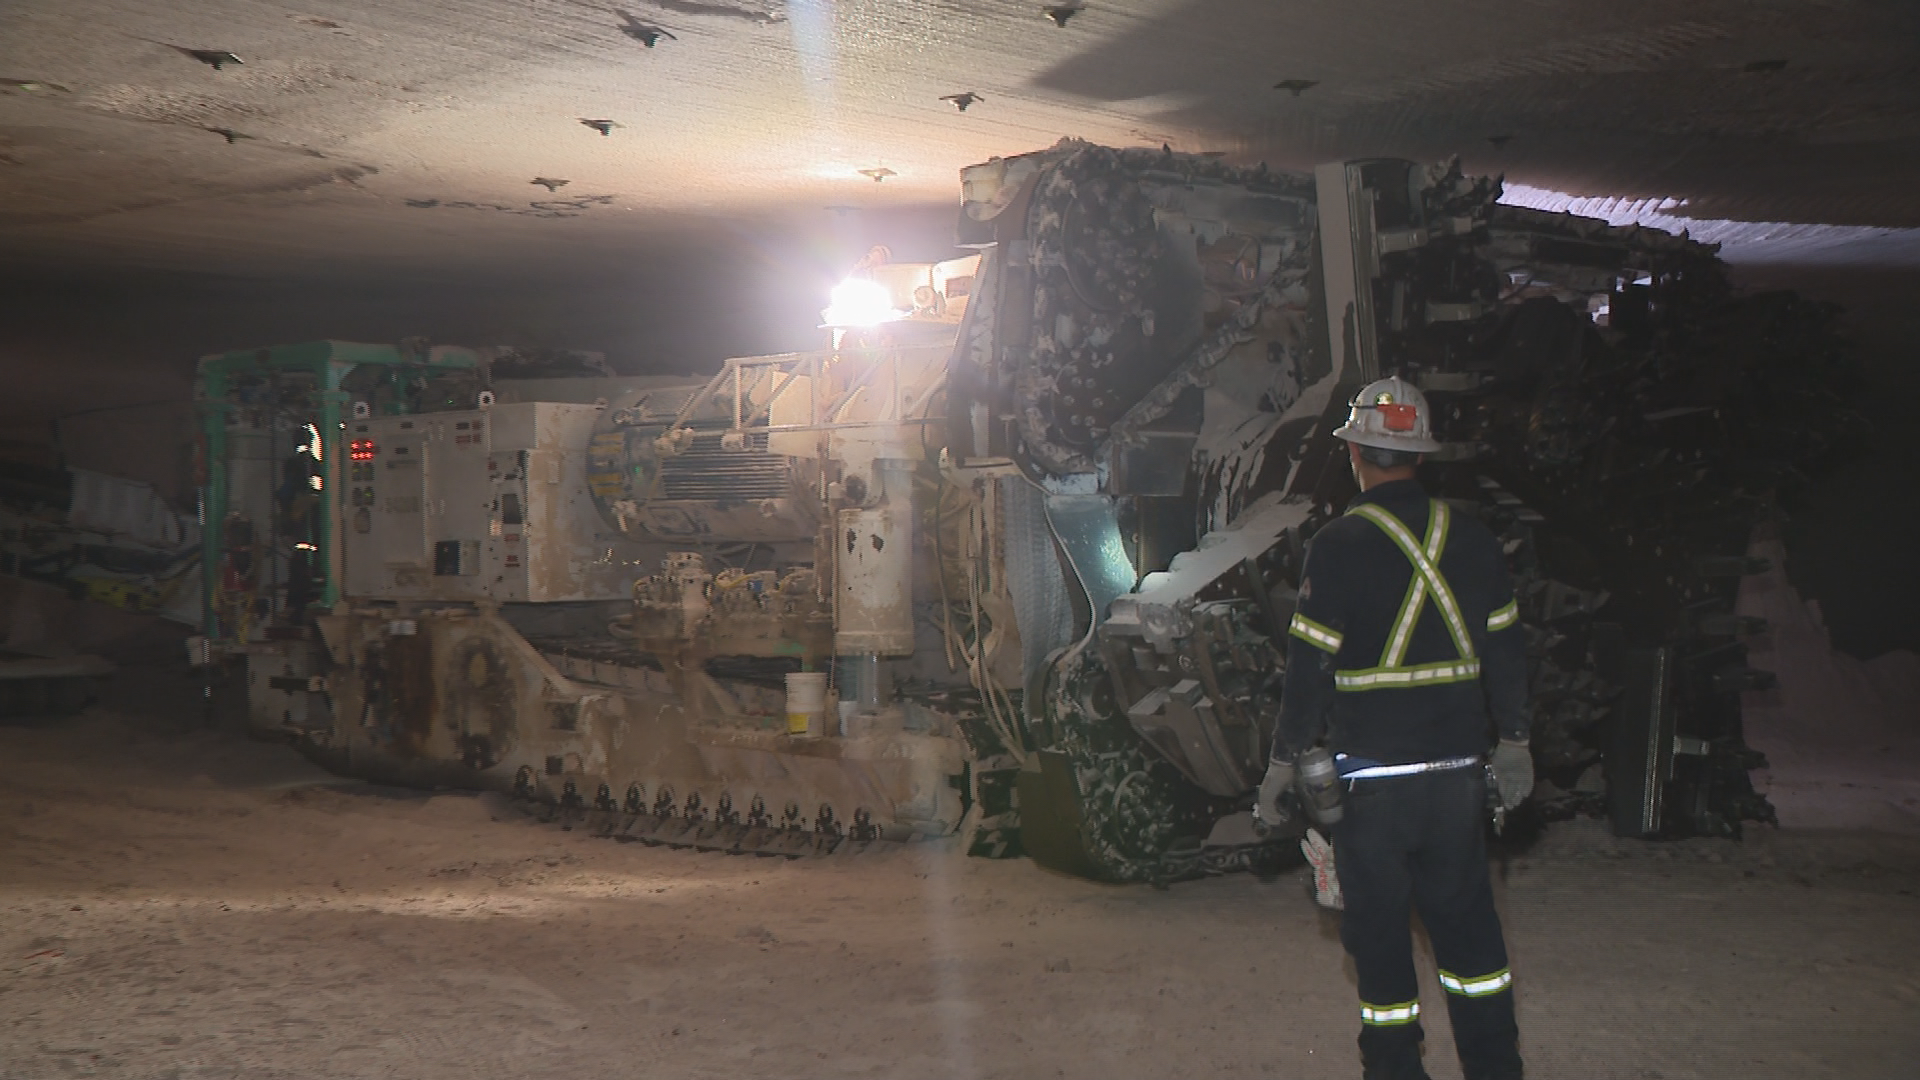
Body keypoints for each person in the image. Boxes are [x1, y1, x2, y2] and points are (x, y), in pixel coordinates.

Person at [1257, 376, 1534, 1080]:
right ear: (1420, 455)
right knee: (1473, 951)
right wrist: (1517, 742)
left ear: (1355, 454)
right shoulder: (1474, 542)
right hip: (1456, 785)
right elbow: (1507, 655)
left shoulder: (1338, 545)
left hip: (1373, 794)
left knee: (1381, 960)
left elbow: (1308, 669)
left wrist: (1285, 761)